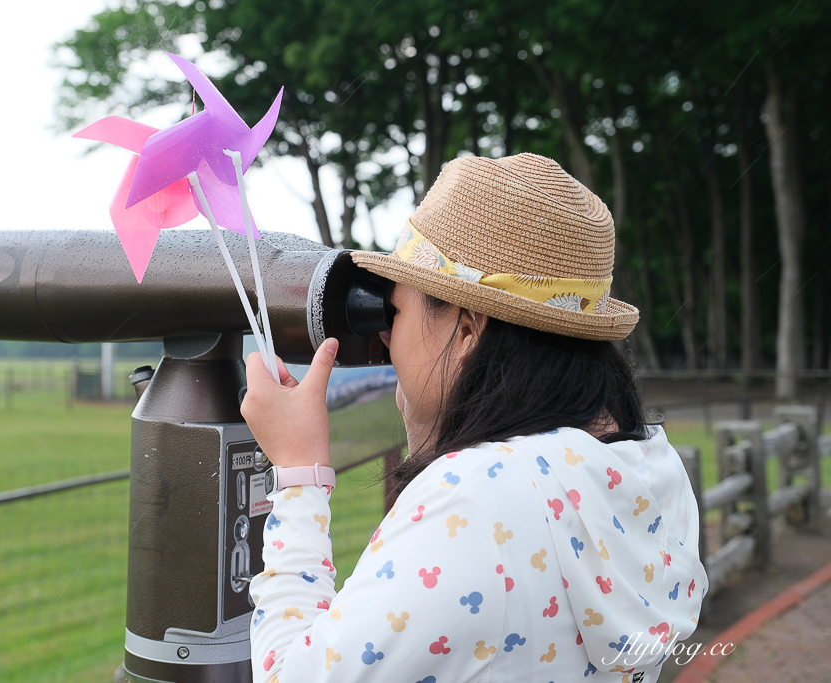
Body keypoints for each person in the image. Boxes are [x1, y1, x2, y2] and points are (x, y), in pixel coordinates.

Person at [240, 154, 707, 683]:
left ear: (466, 330)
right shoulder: (646, 467)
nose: (385, 334)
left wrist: (299, 472)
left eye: (395, 310)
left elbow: (294, 677)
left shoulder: (477, 499)